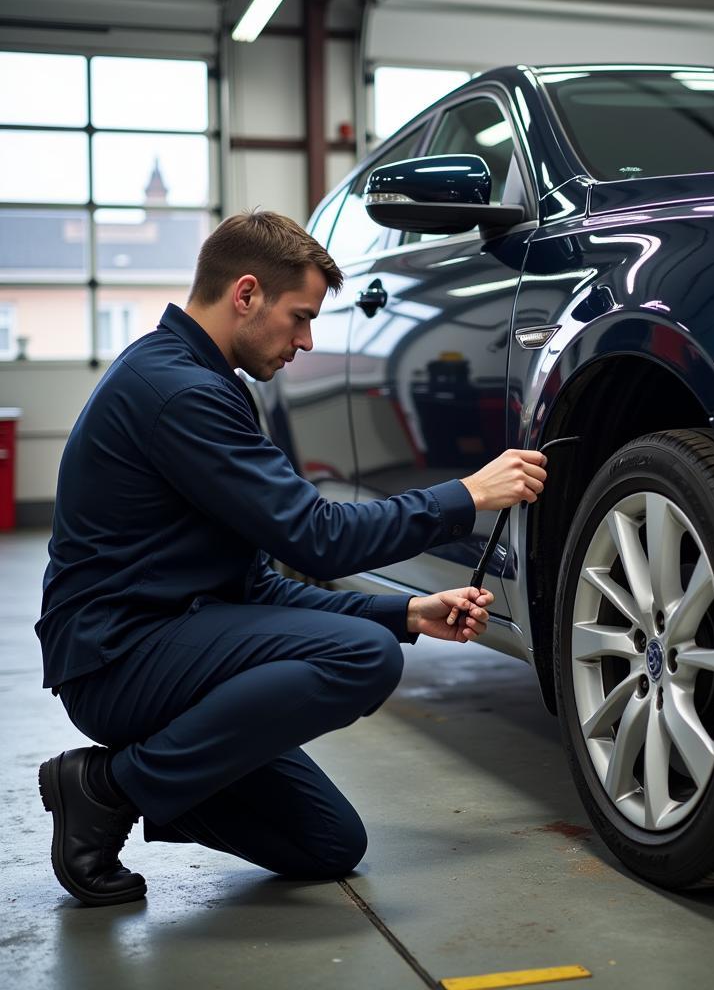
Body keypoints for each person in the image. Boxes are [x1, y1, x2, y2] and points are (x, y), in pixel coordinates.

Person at [35, 210, 547, 907]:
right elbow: (318, 538)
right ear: (245, 294)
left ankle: (151, 778)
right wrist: (466, 496)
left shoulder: (209, 383)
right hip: (119, 658)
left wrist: (406, 610)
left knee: (328, 845)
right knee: (363, 658)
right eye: (300, 317)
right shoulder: (179, 393)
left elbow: (253, 584)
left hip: (170, 639)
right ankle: (106, 790)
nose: (306, 341)